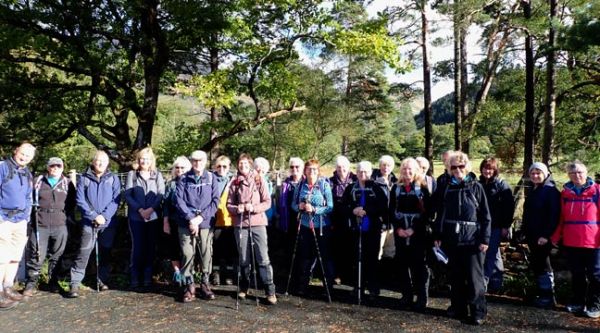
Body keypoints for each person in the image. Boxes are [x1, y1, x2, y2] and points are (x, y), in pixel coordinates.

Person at [433, 151, 491, 325]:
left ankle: (478, 311)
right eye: (454, 167)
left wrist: (485, 239)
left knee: (475, 279)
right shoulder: (446, 187)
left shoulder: (476, 186)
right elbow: (440, 213)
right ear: (449, 169)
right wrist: (438, 235)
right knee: (456, 276)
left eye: (461, 166)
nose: (457, 170)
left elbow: (486, 216)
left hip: (472, 240)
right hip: (452, 238)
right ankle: (458, 307)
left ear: (467, 167)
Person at [68, 150, 121, 298]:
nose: (100, 164)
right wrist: (93, 215)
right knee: (84, 252)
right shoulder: (84, 179)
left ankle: (101, 280)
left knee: (105, 252)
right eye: (98, 161)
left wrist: (104, 216)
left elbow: (116, 200)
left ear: (107, 163)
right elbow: (80, 200)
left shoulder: (113, 179)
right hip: (88, 222)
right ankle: (75, 283)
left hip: (108, 223)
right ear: (93, 162)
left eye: (103, 161)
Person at [551, 161, 600, 318]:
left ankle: (595, 305)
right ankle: (578, 302)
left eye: (580, 172)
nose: (576, 175)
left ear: (586, 173)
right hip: (572, 241)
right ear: (568, 175)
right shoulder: (565, 194)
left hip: (594, 242)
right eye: (572, 173)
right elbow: (562, 218)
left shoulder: (597, 191)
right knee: (577, 274)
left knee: (596, 275)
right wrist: (555, 237)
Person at [227, 153, 277, 305]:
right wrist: (238, 208)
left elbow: (268, 202)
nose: (243, 166)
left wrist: (253, 208)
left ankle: (270, 290)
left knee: (262, 257)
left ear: (250, 165)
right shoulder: (234, 182)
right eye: (240, 164)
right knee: (243, 258)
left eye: (245, 164)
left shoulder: (258, 179)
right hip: (241, 223)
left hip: (258, 223)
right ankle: (243, 287)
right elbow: (229, 205)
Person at [22, 157, 76, 297]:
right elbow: (28, 199)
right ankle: (31, 283)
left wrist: (64, 217)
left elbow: (72, 203)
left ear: (62, 167)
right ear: (48, 167)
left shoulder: (67, 183)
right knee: (37, 255)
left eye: (58, 166)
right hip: (40, 224)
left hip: (60, 224)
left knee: (57, 255)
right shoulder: (38, 181)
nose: (55, 168)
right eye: (52, 166)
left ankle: (53, 282)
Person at [175, 150, 220, 302]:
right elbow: (179, 202)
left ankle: (205, 284)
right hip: (186, 222)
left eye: (200, 160)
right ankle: (189, 285)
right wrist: (191, 219)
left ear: (205, 161)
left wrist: (200, 218)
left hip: (206, 222)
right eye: (194, 160)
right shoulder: (183, 179)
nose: (197, 163)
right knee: (187, 253)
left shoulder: (212, 178)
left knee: (206, 253)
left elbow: (215, 201)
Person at [389, 158, 431, 311]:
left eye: (410, 169)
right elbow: (391, 211)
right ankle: (406, 295)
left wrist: (413, 229)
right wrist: (399, 229)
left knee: (419, 266)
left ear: (416, 171)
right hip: (400, 233)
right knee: (402, 264)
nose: (407, 172)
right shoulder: (396, 189)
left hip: (417, 233)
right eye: (404, 169)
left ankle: (422, 297)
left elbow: (427, 214)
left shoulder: (422, 189)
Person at [343, 161, 388, 300]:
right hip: (355, 230)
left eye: (366, 172)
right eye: (360, 171)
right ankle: (358, 286)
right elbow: (342, 206)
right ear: (356, 173)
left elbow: (383, 207)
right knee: (356, 258)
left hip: (372, 229)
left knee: (372, 259)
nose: (363, 174)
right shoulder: (350, 188)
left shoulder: (377, 188)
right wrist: (353, 210)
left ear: (370, 173)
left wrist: (366, 210)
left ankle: (373, 288)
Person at [291, 159, 334, 298]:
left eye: (314, 169)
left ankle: (328, 287)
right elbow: (293, 204)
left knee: (324, 257)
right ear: (305, 171)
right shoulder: (300, 186)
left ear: (318, 171)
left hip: (321, 227)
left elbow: (330, 207)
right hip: (304, 226)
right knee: (305, 257)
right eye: (309, 169)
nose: (312, 171)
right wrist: (300, 207)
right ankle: (303, 286)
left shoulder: (324, 185)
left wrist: (315, 209)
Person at [0, 142, 35, 309]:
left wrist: (25, 217)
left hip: (20, 221)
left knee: (15, 257)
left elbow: (29, 197)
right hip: (4, 219)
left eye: (28, 156)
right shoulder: (3, 168)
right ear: (16, 151)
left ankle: (8, 287)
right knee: (1, 258)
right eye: (23, 153)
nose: (25, 157)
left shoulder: (27, 173)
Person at [521, 162, 560, 308]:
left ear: (545, 174)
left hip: (543, 237)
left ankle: (548, 296)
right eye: (532, 173)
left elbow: (554, 215)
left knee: (544, 265)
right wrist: (523, 230)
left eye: (538, 173)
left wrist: (546, 235)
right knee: (537, 264)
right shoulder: (535, 189)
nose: (535, 176)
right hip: (533, 235)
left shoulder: (551, 191)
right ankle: (543, 294)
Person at [125, 147, 165, 291]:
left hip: (153, 217)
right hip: (136, 217)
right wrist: (141, 210)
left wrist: (151, 209)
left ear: (151, 160)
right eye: (142, 158)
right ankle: (135, 277)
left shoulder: (157, 174)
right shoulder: (132, 175)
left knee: (150, 247)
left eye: (147, 159)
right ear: (138, 160)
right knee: (137, 247)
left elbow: (161, 193)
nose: (144, 161)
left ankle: (148, 277)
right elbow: (128, 195)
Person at [478, 157, 514, 293]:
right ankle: (497, 284)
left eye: (491, 169)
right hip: (480, 225)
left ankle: (484, 283)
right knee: (494, 253)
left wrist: (506, 226)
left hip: (495, 225)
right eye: (485, 168)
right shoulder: (478, 183)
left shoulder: (501, 185)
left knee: (490, 254)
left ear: (495, 170)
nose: (488, 171)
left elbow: (509, 207)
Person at [162, 156, 191, 287]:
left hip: (188, 221)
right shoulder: (171, 184)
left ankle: (189, 275)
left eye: (182, 167)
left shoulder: (192, 183)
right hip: (173, 221)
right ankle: (177, 273)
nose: (179, 170)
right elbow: (166, 204)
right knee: (173, 248)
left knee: (187, 250)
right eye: (177, 167)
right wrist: (165, 222)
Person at [329, 155, 357, 285]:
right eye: (339, 167)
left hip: (353, 219)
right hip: (337, 219)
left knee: (351, 248)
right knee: (337, 248)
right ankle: (337, 275)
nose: (342, 169)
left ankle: (350, 275)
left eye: (344, 167)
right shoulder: (330, 181)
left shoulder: (355, 179)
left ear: (349, 167)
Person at [211, 155, 234, 286]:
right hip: (215, 219)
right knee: (216, 248)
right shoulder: (210, 179)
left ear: (229, 167)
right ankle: (216, 274)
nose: (221, 169)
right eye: (219, 166)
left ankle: (229, 274)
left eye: (224, 166)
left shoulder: (233, 180)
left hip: (230, 219)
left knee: (230, 249)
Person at [254, 157, 275, 225]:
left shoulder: (268, 183)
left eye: (262, 171)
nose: (260, 173)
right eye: (258, 170)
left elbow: (271, 199)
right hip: (255, 215)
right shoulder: (251, 182)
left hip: (267, 215)